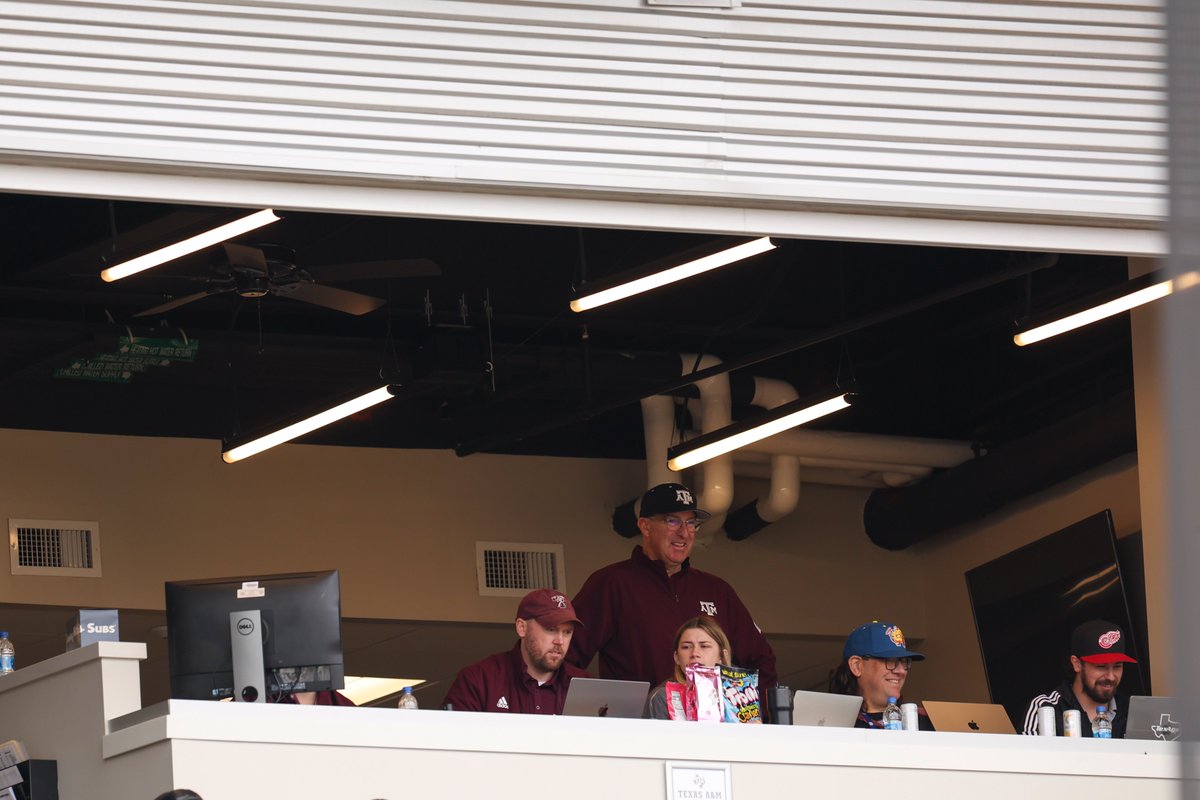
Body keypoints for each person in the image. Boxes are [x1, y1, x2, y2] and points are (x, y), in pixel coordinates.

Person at [567, 483, 777, 690]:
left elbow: (761, 661)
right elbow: (564, 657)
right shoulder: (612, 583)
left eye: (691, 523)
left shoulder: (716, 590)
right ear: (645, 526)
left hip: (706, 723)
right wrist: (603, 704)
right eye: (672, 522)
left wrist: (750, 717)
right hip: (640, 723)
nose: (684, 533)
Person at [442, 587, 590, 714]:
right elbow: (449, 739)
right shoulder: (479, 679)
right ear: (522, 627)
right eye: (551, 629)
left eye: (567, 632)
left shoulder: (586, 687)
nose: (560, 641)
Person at [1021, 618, 1137, 737]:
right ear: (1077, 664)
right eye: (1101, 666)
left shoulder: (1132, 711)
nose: (1111, 677)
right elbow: (1030, 755)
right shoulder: (1046, 708)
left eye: (1117, 666)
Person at [829, 620, 933, 730]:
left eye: (904, 661)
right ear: (856, 666)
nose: (901, 670)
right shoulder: (832, 725)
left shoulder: (925, 721)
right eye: (890, 661)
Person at [645, 615, 732, 720]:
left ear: (722, 656)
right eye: (686, 647)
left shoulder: (738, 695)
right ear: (676, 657)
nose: (694, 653)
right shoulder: (662, 697)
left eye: (704, 646)